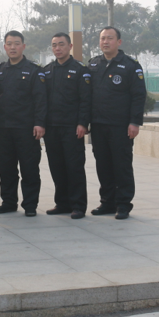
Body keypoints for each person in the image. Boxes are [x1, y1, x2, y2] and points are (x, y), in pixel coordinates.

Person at [88, 27, 146, 220]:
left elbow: (138, 96)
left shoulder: (130, 66)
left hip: (120, 126)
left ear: (119, 42)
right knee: (103, 165)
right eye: (102, 38)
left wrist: (135, 122)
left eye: (110, 38)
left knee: (122, 165)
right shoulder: (93, 64)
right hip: (98, 124)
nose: (105, 42)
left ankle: (123, 204)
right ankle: (107, 202)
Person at [0, 30, 47, 217]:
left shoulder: (34, 70)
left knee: (29, 168)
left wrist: (40, 123)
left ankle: (30, 205)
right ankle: (8, 202)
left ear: (23, 46)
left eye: (16, 43)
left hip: (26, 128)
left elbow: (40, 99)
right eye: (9, 44)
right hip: (4, 128)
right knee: (6, 168)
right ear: (5, 47)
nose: (12, 47)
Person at [42, 33, 92, 220]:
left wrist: (82, 123)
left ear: (70, 46)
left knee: (74, 167)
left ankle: (78, 205)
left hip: (72, 128)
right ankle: (62, 203)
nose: (57, 48)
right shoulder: (47, 71)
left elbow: (86, 100)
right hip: (52, 127)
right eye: (54, 45)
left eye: (61, 44)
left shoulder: (80, 70)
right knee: (57, 167)